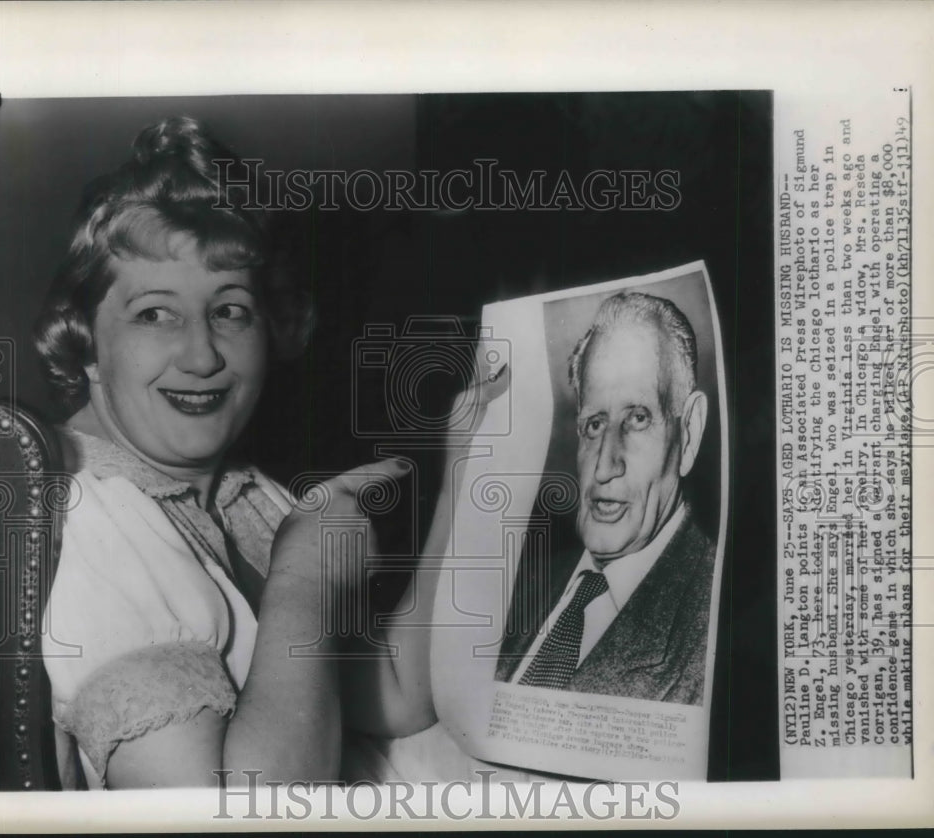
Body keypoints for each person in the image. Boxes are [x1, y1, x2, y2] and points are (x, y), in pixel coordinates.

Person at [36, 117, 414, 789]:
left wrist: (477, 459)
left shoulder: (245, 495)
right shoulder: (88, 520)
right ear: (86, 342)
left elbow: (398, 698)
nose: (204, 354)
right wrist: (305, 581)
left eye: (231, 310)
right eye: (155, 314)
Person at [495, 290, 716, 704]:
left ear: (689, 435)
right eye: (594, 425)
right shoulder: (521, 586)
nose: (602, 467)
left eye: (637, 418)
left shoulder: (716, 623)